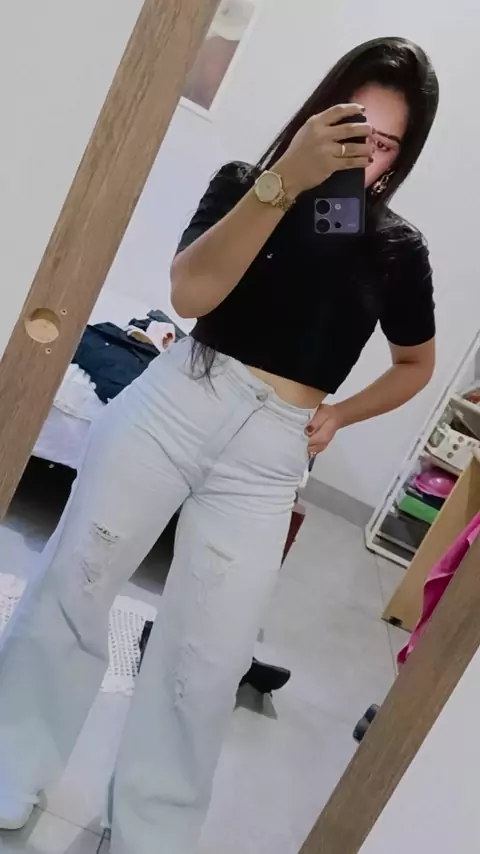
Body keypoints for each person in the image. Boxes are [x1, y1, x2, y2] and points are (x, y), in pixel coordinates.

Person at [0, 36, 438, 854]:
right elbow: (190, 293)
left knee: (207, 658)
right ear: (319, 112)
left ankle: (150, 834)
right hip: (177, 402)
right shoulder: (245, 184)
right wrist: (284, 183)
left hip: (270, 456)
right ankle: (8, 769)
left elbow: (417, 364)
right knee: (73, 585)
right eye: (352, 127)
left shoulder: (394, 247)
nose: (364, 154)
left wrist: (342, 415)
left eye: (385, 144)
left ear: (400, 157)